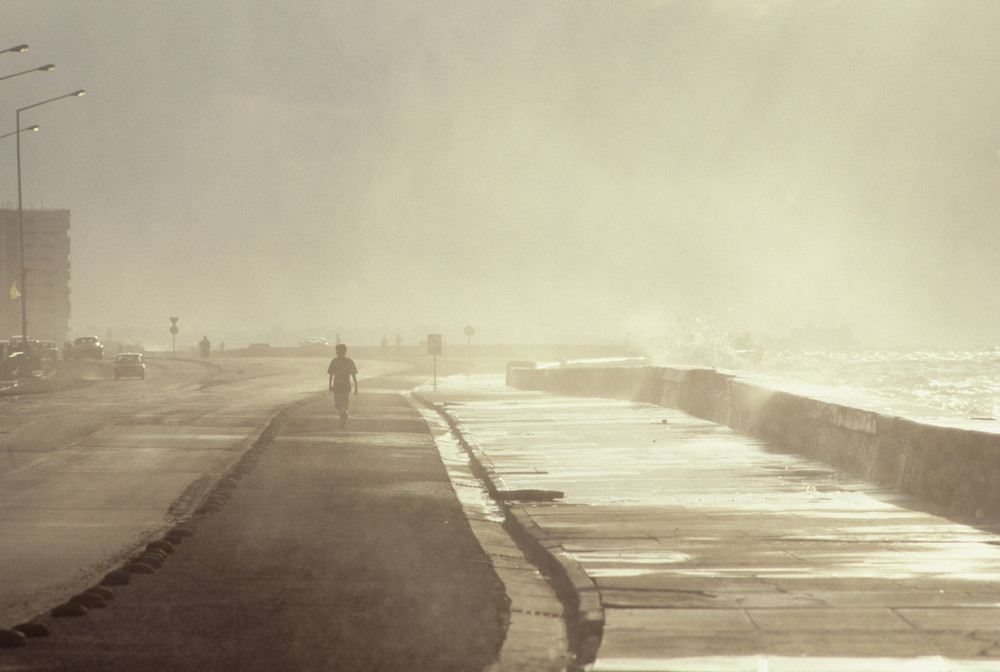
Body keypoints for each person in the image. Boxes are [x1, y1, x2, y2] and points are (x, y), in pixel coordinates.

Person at [327, 343, 358, 428]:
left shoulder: (334, 361)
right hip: (346, 385)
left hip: (337, 385)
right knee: (345, 401)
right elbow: (353, 375)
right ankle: (344, 412)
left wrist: (330, 385)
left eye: (337, 351)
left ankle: (342, 414)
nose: (336, 352)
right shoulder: (349, 361)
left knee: (338, 403)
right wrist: (356, 387)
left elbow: (331, 374)